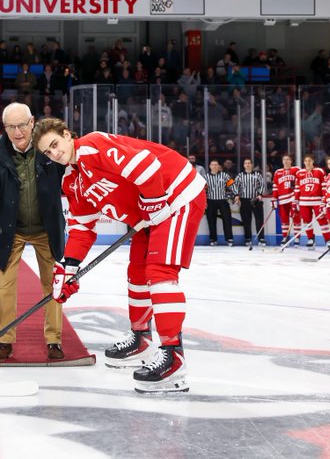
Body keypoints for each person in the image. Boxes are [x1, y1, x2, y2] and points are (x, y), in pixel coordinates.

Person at [33, 119, 205, 393]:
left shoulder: (93, 145)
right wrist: (67, 268)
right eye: (47, 152)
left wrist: (155, 201)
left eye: (55, 144)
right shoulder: (72, 180)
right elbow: (82, 230)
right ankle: (142, 338)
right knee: (137, 272)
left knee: (160, 273)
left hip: (177, 196)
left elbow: (146, 166)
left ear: (67, 135)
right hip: (151, 214)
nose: (54, 154)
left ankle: (174, 357)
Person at [0, 103, 66, 362]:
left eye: (22, 125)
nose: (18, 132)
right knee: (4, 286)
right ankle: (4, 340)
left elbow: (72, 172)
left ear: (32, 122)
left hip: (46, 229)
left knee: (53, 284)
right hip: (11, 230)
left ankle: (54, 341)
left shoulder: (48, 150)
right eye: (11, 127)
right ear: (4, 128)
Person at [294, 155, 330, 248]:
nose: (308, 162)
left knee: (322, 220)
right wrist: (296, 200)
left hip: (317, 201)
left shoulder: (319, 171)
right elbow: (297, 188)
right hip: (303, 202)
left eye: (309, 160)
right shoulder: (299, 173)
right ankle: (310, 238)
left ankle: (327, 240)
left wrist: (324, 199)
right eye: (306, 161)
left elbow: (324, 186)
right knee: (306, 221)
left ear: (313, 161)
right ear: (304, 162)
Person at [233, 159, 266, 246]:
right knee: (246, 221)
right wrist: (236, 195)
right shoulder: (240, 176)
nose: (247, 165)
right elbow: (235, 186)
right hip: (244, 200)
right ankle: (248, 238)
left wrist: (260, 194)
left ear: (251, 165)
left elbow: (262, 185)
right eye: (245, 163)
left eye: (249, 163)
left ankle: (261, 238)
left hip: (255, 200)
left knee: (259, 220)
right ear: (244, 165)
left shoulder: (257, 174)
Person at [204, 160, 234, 246]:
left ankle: (229, 238)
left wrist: (236, 194)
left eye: (216, 164)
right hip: (210, 200)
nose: (214, 166)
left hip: (222, 200)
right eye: (212, 164)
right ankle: (213, 239)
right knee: (211, 220)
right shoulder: (205, 177)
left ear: (218, 166)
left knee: (227, 219)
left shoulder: (225, 175)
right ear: (210, 166)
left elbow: (232, 185)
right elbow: (202, 190)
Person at [271, 155, 299, 245]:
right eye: (284, 159)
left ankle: (297, 238)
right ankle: (285, 237)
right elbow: (275, 186)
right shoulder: (278, 172)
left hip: (293, 198)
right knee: (284, 219)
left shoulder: (296, 170)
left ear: (291, 161)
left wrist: (297, 197)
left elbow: (300, 183)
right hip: (282, 199)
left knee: (296, 218)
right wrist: (274, 199)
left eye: (288, 159)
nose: (286, 161)